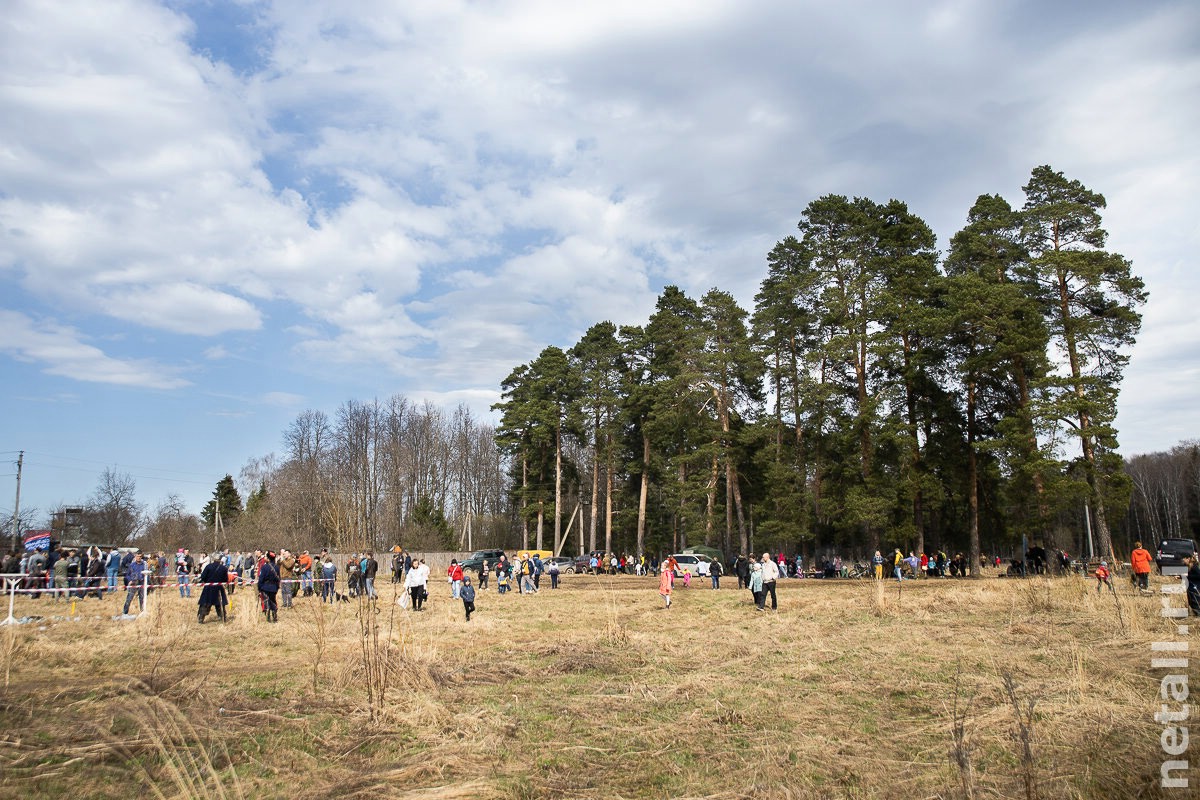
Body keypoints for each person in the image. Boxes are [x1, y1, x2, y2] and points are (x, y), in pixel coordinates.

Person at [197, 553, 229, 623]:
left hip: (209, 587)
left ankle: (201, 618)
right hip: (219, 588)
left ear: (213, 559)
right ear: (220, 559)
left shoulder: (209, 567)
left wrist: (207, 581)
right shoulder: (223, 568)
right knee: (220, 603)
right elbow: (225, 579)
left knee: (205, 603)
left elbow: (203, 577)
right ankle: (222, 617)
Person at [122, 551, 147, 616]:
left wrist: (146, 581)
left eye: (140, 556)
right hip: (133, 583)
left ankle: (142, 612)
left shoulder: (144, 565)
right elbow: (127, 575)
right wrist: (130, 580)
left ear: (141, 557)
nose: (139, 558)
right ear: (135, 556)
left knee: (142, 598)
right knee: (129, 598)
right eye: (137, 556)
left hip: (141, 583)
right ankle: (125, 613)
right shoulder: (132, 565)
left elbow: (147, 574)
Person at [258, 551, 281, 622]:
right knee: (273, 601)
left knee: (266, 601)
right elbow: (278, 579)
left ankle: (268, 618)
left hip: (265, 587)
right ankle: (274, 616)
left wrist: (259, 588)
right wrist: (277, 587)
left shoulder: (264, 567)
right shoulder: (277, 567)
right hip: (274, 587)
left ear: (268, 558)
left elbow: (261, 578)